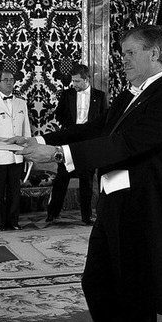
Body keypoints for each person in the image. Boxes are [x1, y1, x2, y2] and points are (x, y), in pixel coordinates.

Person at [12, 25, 162, 322]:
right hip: (114, 204)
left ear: (156, 54)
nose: (123, 60)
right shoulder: (131, 96)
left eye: (130, 53)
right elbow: (97, 130)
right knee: (96, 283)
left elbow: (123, 145)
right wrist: (45, 138)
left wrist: (59, 157)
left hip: (145, 212)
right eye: (122, 53)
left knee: (138, 300)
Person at [47, 63, 107, 225]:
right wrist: (70, 129)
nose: (74, 84)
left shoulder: (100, 96)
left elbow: (104, 120)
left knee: (87, 180)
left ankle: (86, 216)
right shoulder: (67, 95)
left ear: (87, 79)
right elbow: (59, 114)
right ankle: (52, 213)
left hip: (88, 143)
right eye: (73, 81)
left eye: (77, 81)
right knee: (62, 177)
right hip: (70, 141)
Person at [0, 69, 32, 231]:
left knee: (15, 191)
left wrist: (28, 150)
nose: (9, 82)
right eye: (6, 80)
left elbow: (26, 130)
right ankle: (1, 222)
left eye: (12, 79)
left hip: (17, 153)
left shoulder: (21, 103)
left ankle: (13, 221)